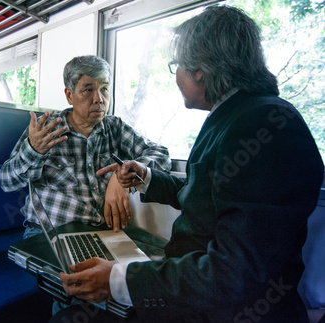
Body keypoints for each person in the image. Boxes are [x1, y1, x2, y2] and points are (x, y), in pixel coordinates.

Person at [52, 6, 324, 322]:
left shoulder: (262, 126)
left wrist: (118, 280)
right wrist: (147, 177)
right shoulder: (234, 117)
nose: (176, 75)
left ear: (199, 71)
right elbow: (210, 193)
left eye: (177, 66)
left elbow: (234, 274)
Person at [0, 55, 170, 238]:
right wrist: (33, 151)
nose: (99, 98)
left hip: (102, 233)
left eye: (104, 89)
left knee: (147, 262)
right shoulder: (45, 130)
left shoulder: (115, 128)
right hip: (48, 234)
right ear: (69, 95)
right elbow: (7, 183)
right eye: (88, 90)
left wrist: (122, 177)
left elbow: (162, 155)